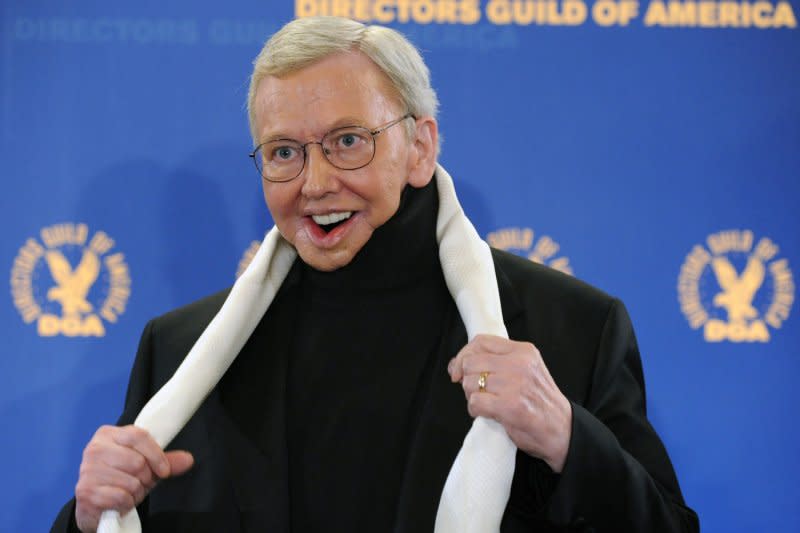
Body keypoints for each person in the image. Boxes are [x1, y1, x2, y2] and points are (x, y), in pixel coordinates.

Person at [52, 16, 699, 533]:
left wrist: (565, 437)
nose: (316, 182)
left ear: (419, 147)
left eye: (347, 140)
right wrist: (87, 517)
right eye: (284, 152)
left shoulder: (571, 326)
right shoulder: (179, 350)